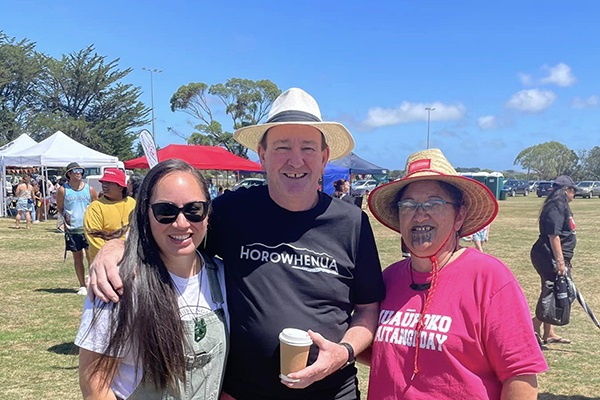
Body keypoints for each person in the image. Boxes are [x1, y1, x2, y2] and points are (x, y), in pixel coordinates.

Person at [90, 87, 385, 400]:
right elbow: (175, 229)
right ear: (262, 155)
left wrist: (344, 351)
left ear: (324, 157)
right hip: (244, 392)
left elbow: (368, 309)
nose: (295, 160)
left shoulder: (351, 223)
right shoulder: (233, 210)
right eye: (282, 146)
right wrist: (116, 247)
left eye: (308, 148)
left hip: (332, 392)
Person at [365, 148, 547, 399]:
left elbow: (521, 375)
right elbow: (375, 351)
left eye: (433, 203)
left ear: (459, 216)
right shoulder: (389, 278)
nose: (420, 214)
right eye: (408, 205)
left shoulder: (489, 278)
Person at [77, 159, 228, 399]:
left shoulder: (221, 276)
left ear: (208, 213)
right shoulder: (119, 283)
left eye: (194, 210)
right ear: (145, 213)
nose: (181, 223)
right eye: (165, 211)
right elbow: (95, 384)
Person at [531, 175, 577, 345]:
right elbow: (554, 236)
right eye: (573, 190)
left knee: (557, 292)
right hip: (547, 256)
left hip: (559, 257)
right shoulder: (555, 207)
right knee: (553, 292)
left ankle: (549, 332)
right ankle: (533, 325)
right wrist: (560, 262)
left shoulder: (562, 206)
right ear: (565, 190)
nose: (574, 194)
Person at [56, 162, 98, 295]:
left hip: (89, 228)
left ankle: (93, 281)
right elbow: (60, 207)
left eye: (80, 170)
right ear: (69, 174)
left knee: (91, 256)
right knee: (77, 257)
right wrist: (66, 220)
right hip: (73, 229)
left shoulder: (90, 189)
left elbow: (96, 206)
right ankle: (82, 285)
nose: (78, 173)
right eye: (75, 171)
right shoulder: (63, 190)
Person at [84, 168, 136, 262]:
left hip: (131, 258)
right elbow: (94, 236)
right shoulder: (95, 207)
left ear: (120, 187)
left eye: (109, 182)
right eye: (103, 182)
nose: (104, 185)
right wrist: (114, 254)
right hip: (104, 261)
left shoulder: (132, 203)